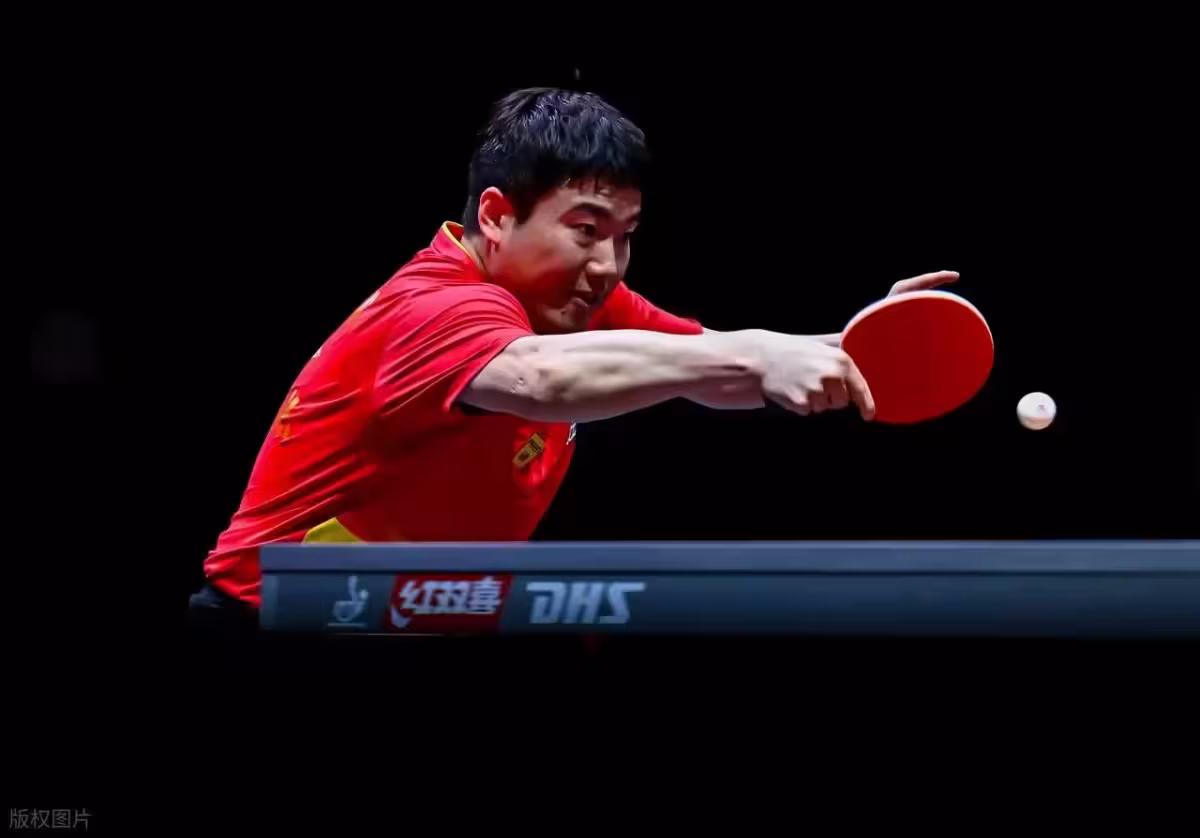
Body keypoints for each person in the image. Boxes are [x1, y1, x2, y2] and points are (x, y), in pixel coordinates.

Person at [189, 86, 958, 633]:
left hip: (408, 621)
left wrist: (854, 344)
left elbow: (712, 363)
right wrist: (755, 354)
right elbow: (541, 378)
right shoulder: (435, 306)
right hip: (274, 624)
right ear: (497, 215)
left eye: (625, 236)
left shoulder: (573, 298)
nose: (607, 264)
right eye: (585, 230)